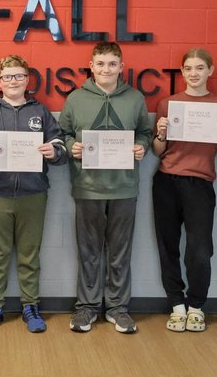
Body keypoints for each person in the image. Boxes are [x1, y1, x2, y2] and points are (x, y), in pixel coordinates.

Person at [0, 55, 68, 334]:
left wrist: (54, 151)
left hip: (33, 194)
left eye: (19, 76)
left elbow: (60, 147)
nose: (13, 81)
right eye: (8, 77)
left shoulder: (41, 112)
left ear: (27, 80)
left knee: (29, 254)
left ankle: (30, 305)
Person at [59, 41, 152, 334]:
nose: (106, 69)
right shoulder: (75, 98)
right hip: (88, 188)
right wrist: (72, 146)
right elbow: (62, 134)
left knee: (120, 252)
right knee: (89, 252)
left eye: (112, 64)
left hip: (124, 187)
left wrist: (142, 147)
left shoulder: (135, 98)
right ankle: (86, 308)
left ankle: (117, 309)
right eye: (100, 64)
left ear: (121, 67)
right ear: (91, 66)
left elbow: (145, 133)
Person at [151, 48, 217, 333]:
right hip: (166, 181)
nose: (194, 73)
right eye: (188, 68)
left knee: (200, 250)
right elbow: (158, 150)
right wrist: (161, 134)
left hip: (200, 184)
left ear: (210, 71)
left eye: (200, 68)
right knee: (168, 246)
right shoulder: (168, 104)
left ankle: (196, 306)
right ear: (182, 71)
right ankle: (177, 305)